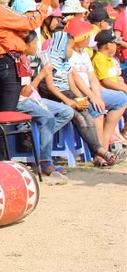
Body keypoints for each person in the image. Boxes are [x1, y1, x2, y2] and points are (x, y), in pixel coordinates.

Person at [40, 18, 117, 167]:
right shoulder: (50, 61)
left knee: (88, 116)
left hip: (68, 94)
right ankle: (100, 151)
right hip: (55, 97)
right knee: (80, 119)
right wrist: (69, 101)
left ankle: (99, 151)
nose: (71, 50)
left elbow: (71, 85)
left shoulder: (65, 62)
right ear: (61, 47)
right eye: (69, 48)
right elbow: (51, 87)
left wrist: (81, 99)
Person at [0, 0, 59, 112]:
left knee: (0, 110)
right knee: (8, 111)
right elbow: (32, 21)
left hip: (1, 61)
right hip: (7, 62)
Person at [16, 31, 73, 182]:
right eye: (35, 43)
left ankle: (34, 138)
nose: (37, 47)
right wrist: (41, 75)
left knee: (67, 111)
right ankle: (45, 162)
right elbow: (25, 92)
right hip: (22, 101)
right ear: (26, 45)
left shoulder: (27, 60)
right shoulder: (20, 61)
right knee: (48, 118)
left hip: (33, 99)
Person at [65, 18, 127, 152]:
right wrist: (93, 97)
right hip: (78, 93)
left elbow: (92, 77)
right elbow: (76, 80)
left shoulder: (84, 53)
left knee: (122, 99)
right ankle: (100, 152)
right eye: (87, 36)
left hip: (93, 91)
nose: (89, 39)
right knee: (97, 110)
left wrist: (97, 96)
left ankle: (106, 140)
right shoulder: (69, 54)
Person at [90, 29, 127, 143]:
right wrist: (124, 88)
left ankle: (117, 133)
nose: (117, 46)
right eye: (115, 43)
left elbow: (114, 79)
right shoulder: (99, 59)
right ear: (108, 45)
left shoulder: (109, 59)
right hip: (104, 92)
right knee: (123, 99)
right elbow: (105, 82)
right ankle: (110, 134)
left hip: (113, 91)